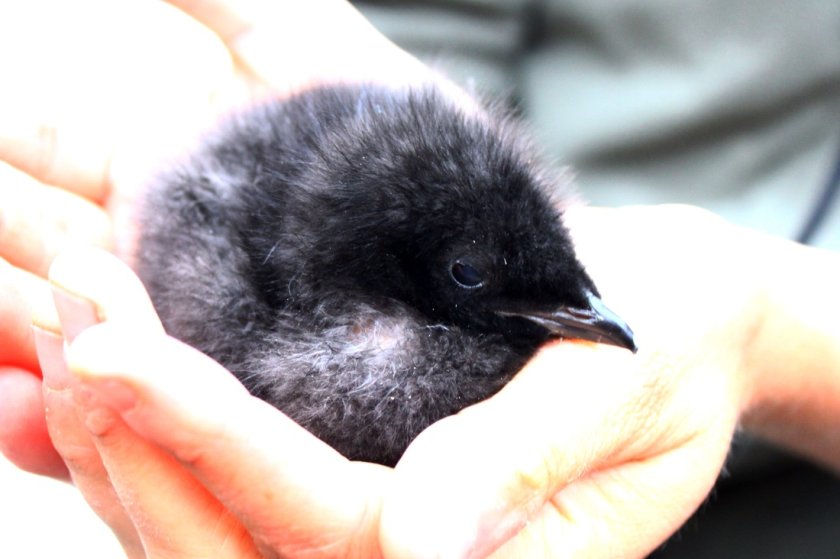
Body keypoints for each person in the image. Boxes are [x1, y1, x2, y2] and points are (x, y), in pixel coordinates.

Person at [1, 0, 838, 557]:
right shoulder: (331, 320)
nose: (592, 317)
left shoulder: (450, 309)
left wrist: (770, 334)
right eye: (470, 279)